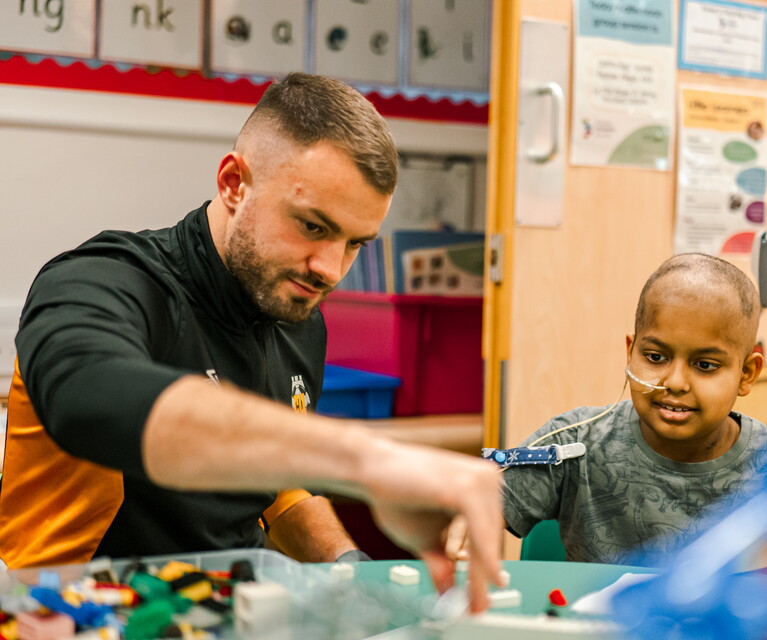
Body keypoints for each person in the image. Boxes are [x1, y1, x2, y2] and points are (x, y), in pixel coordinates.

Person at [0, 72, 502, 611]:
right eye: (312, 226)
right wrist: (369, 461)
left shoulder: (299, 314)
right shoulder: (102, 280)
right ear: (234, 183)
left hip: (233, 612)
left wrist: (350, 571)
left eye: (354, 243)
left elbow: (280, 490)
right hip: (77, 615)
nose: (331, 270)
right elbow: (91, 396)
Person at [498, 253, 767, 564]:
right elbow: (476, 508)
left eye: (705, 365)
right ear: (631, 353)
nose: (676, 382)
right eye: (656, 357)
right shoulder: (570, 446)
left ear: (747, 374)